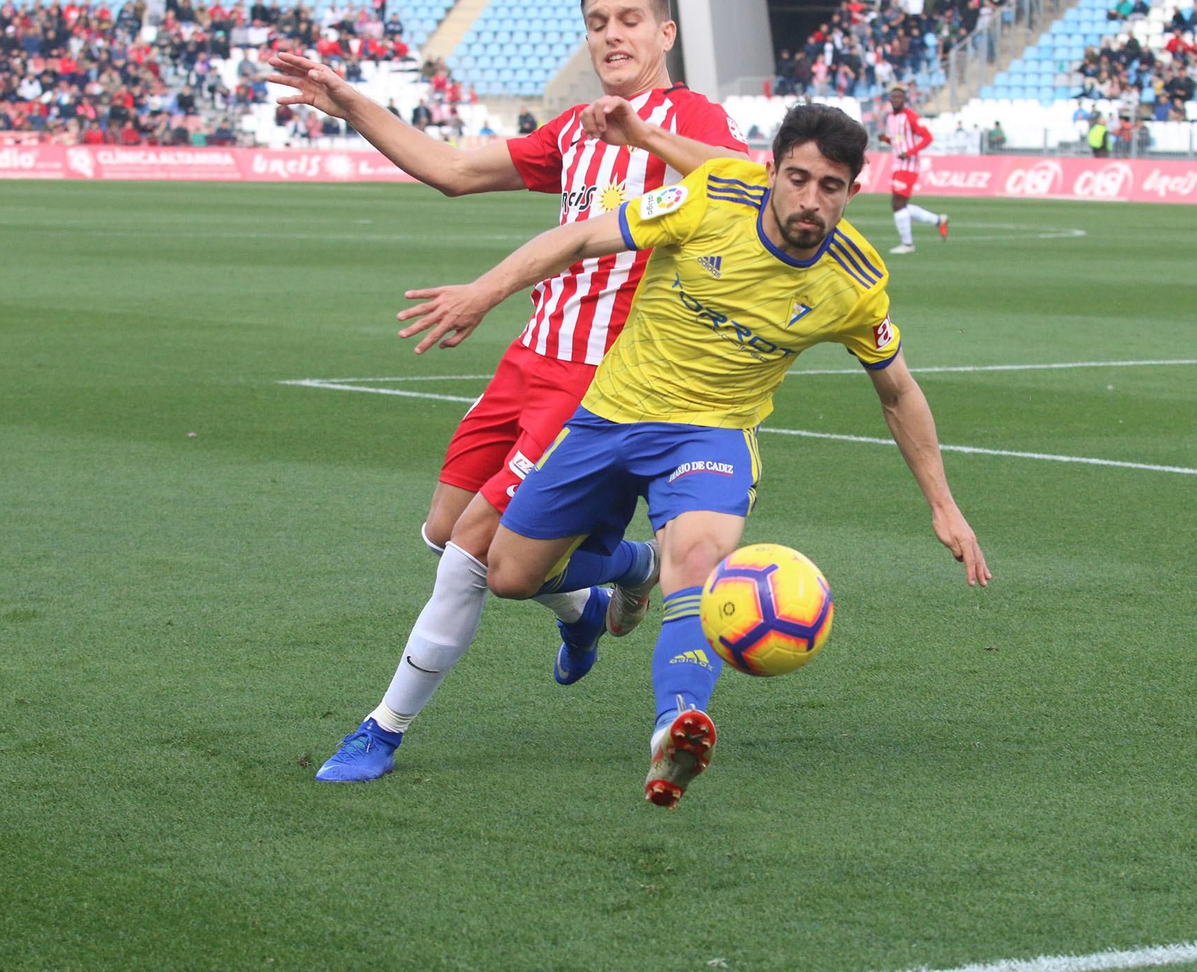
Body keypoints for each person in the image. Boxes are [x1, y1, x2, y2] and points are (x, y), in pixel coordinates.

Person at [396, 103, 992, 808]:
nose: (809, 199)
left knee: (700, 567)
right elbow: (585, 234)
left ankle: (675, 728)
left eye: (829, 186)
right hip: (611, 413)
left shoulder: (855, 282)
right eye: (796, 177)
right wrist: (485, 290)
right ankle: (631, 565)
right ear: (769, 171)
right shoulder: (712, 197)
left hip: (712, 436)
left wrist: (944, 507)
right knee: (509, 575)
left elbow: (899, 393)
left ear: (852, 192)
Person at [269, 0, 749, 783]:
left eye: (630, 20)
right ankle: (610, 586)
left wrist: (647, 136)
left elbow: (748, 183)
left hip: (597, 386)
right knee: (437, 529)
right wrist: (347, 101)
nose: (612, 36)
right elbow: (453, 171)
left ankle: (383, 730)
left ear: (666, 32)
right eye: (598, 23)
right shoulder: (573, 130)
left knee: (468, 555)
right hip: (531, 359)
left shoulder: (691, 118)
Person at [881, 86, 947, 255]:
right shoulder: (889, 117)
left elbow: (928, 138)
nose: (896, 100)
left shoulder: (911, 117)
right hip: (897, 164)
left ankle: (908, 244)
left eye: (899, 97)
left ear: (905, 100)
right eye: (893, 97)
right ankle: (938, 220)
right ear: (889, 100)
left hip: (909, 166)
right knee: (901, 205)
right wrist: (886, 139)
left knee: (897, 204)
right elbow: (898, 142)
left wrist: (909, 153)